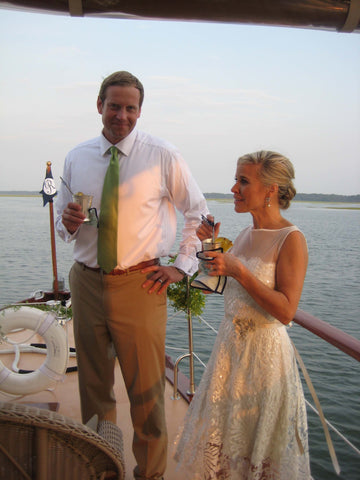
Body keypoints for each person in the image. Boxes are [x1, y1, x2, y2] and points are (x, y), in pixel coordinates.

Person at [56, 70, 208, 480]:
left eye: (130, 108)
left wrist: (182, 265)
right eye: (114, 106)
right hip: (86, 282)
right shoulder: (76, 156)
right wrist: (68, 223)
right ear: (99, 106)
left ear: (140, 110)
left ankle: (150, 475)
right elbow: (64, 225)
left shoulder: (162, 154)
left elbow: (199, 213)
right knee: (93, 388)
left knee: (146, 394)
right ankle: (101, 469)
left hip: (140, 284)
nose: (121, 115)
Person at [174, 150, 311, 479]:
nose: (234, 188)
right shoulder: (246, 236)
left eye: (243, 181)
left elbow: (286, 311)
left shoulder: (290, 239)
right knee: (223, 452)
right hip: (229, 355)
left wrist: (239, 270)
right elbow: (219, 286)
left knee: (261, 457)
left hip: (264, 361)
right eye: (236, 179)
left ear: (270, 189)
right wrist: (211, 251)